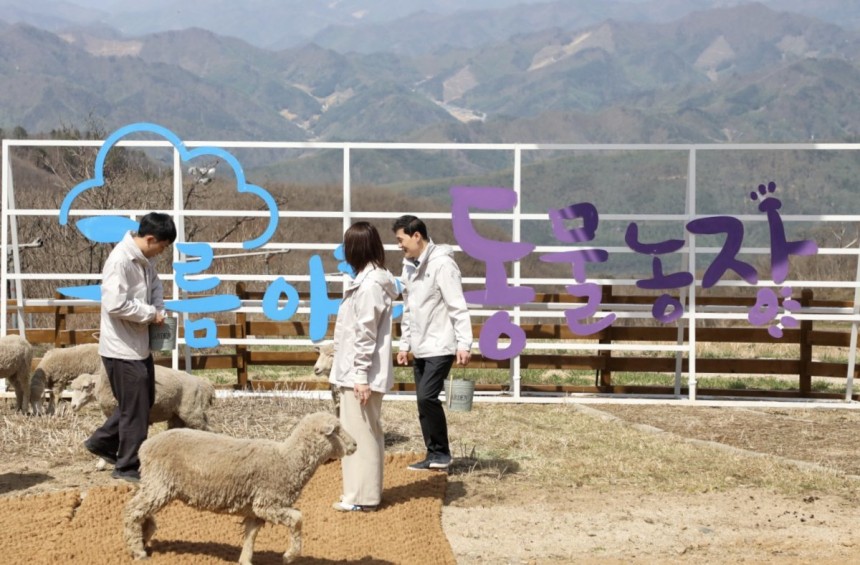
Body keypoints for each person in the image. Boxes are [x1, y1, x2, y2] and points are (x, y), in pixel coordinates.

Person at [83, 212, 177, 483]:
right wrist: (150, 313)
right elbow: (115, 304)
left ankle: (102, 442)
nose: (162, 252)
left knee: (140, 402)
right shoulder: (120, 261)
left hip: (138, 345)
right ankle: (127, 466)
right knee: (135, 409)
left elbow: (155, 286)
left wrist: (158, 307)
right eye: (163, 246)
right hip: (121, 347)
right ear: (151, 239)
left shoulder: (145, 261)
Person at [392, 215, 472, 471]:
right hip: (420, 346)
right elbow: (408, 309)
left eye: (401, 239)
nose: (399, 245)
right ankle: (434, 454)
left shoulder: (443, 264)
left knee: (427, 397)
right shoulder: (408, 266)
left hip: (441, 343)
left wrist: (464, 343)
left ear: (417, 236)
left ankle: (441, 453)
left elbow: (457, 305)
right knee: (422, 401)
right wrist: (404, 345)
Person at [329, 221, 399, 512]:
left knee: (361, 435)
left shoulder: (370, 286)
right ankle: (361, 492)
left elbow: (365, 334)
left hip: (360, 375)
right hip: (360, 372)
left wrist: (359, 375)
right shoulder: (372, 282)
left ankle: (363, 497)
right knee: (365, 432)